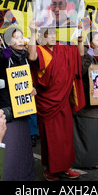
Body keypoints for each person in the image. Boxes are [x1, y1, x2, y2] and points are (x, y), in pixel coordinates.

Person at [27, 21, 85, 181]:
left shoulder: (63, 48)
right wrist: (32, 32)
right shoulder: (38, 49)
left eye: (53, 34)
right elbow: (31, 57)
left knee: (65, 137)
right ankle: (50, 170)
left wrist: (80, 35)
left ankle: (65, 167)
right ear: (41, 37)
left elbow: (79, 54)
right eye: (48, 34)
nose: (52, 37)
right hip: (47, 101)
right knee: (50, 138)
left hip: (63, 100)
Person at [0, 26, 36, 180]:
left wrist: (32, 88)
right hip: (6, 104)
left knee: (21, 141)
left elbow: (28, 78)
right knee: (9, 139)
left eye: (21, 37)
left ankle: (23, 173)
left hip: (22, 105)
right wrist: (4, 58)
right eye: (16, 37)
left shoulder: (25, 56)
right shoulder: (2, 54)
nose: (20, 40)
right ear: (8, 41)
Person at [73, 31, 98, 169]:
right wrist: (88, 56)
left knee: (96, 134)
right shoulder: (84, 53)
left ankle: (96, 159)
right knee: (86, 133)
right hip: (86, 103)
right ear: (90, 42)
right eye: (97, 39)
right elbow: (79, 72)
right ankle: (84, 161)